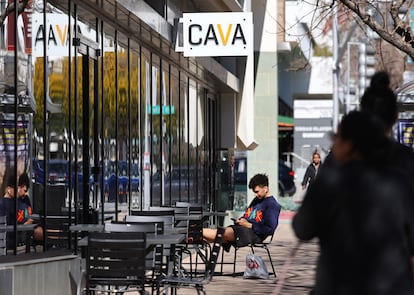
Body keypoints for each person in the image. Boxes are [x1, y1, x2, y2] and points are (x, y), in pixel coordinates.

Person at [292, 110, 414, 294]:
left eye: (336, 138)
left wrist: (332, 163)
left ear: (348, 144)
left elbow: (302, 229)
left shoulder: (330, 182)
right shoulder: (400, 182)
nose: (334, 143)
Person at [203, 173, 281, 250]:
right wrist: (241, 220)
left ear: (265, 188)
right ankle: (194, 235)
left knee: (219, 233)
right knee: (209, 238)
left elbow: (270, 228)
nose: (255, 195)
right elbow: (247, 215)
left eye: (257, 192)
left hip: (254, 234)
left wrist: (249, 225)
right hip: (243, 230)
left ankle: (196, 232)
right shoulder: (257, 200)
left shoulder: (272, 205)